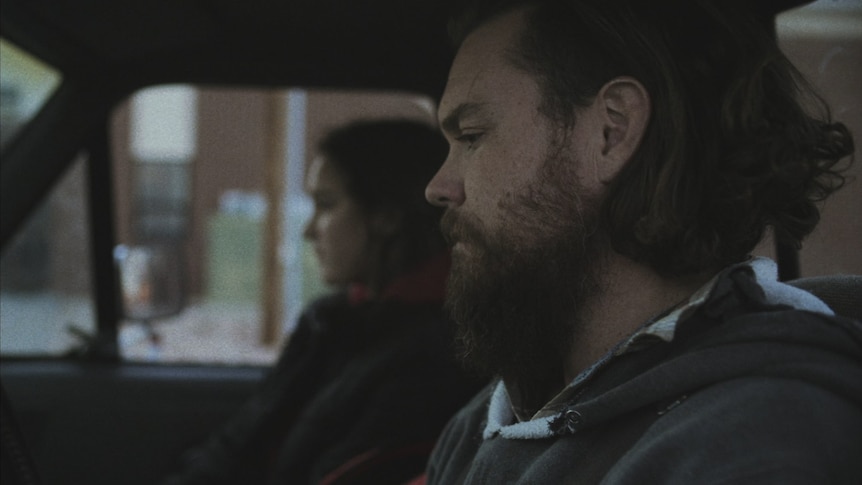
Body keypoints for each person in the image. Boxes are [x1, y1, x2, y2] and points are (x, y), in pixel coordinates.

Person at [422, 0, 862, 483]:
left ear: (613, 130)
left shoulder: (753, 443)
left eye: (471, 135)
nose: (438, 186)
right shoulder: (490, 418)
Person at [162, 119, 482, 485]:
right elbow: (240, 446)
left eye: (326, 205)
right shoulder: (331, 320)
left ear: (386, 217)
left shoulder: (437, 357)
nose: (309, 230)